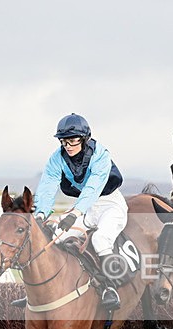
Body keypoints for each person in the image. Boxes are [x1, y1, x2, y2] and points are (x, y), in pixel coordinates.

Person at [31, 113, 127, 310]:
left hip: (110, 205)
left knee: (100, 239)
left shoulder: (100, 155)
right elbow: (47, 186)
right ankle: (44, 294)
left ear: (84, 139)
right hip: (87, 208)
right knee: (56, 236)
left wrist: (75, 214)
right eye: (64, 141)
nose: (68, 146)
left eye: (73, 140)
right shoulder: (57, 159)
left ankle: (111, 288)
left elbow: (93, 188)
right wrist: (41, 215)